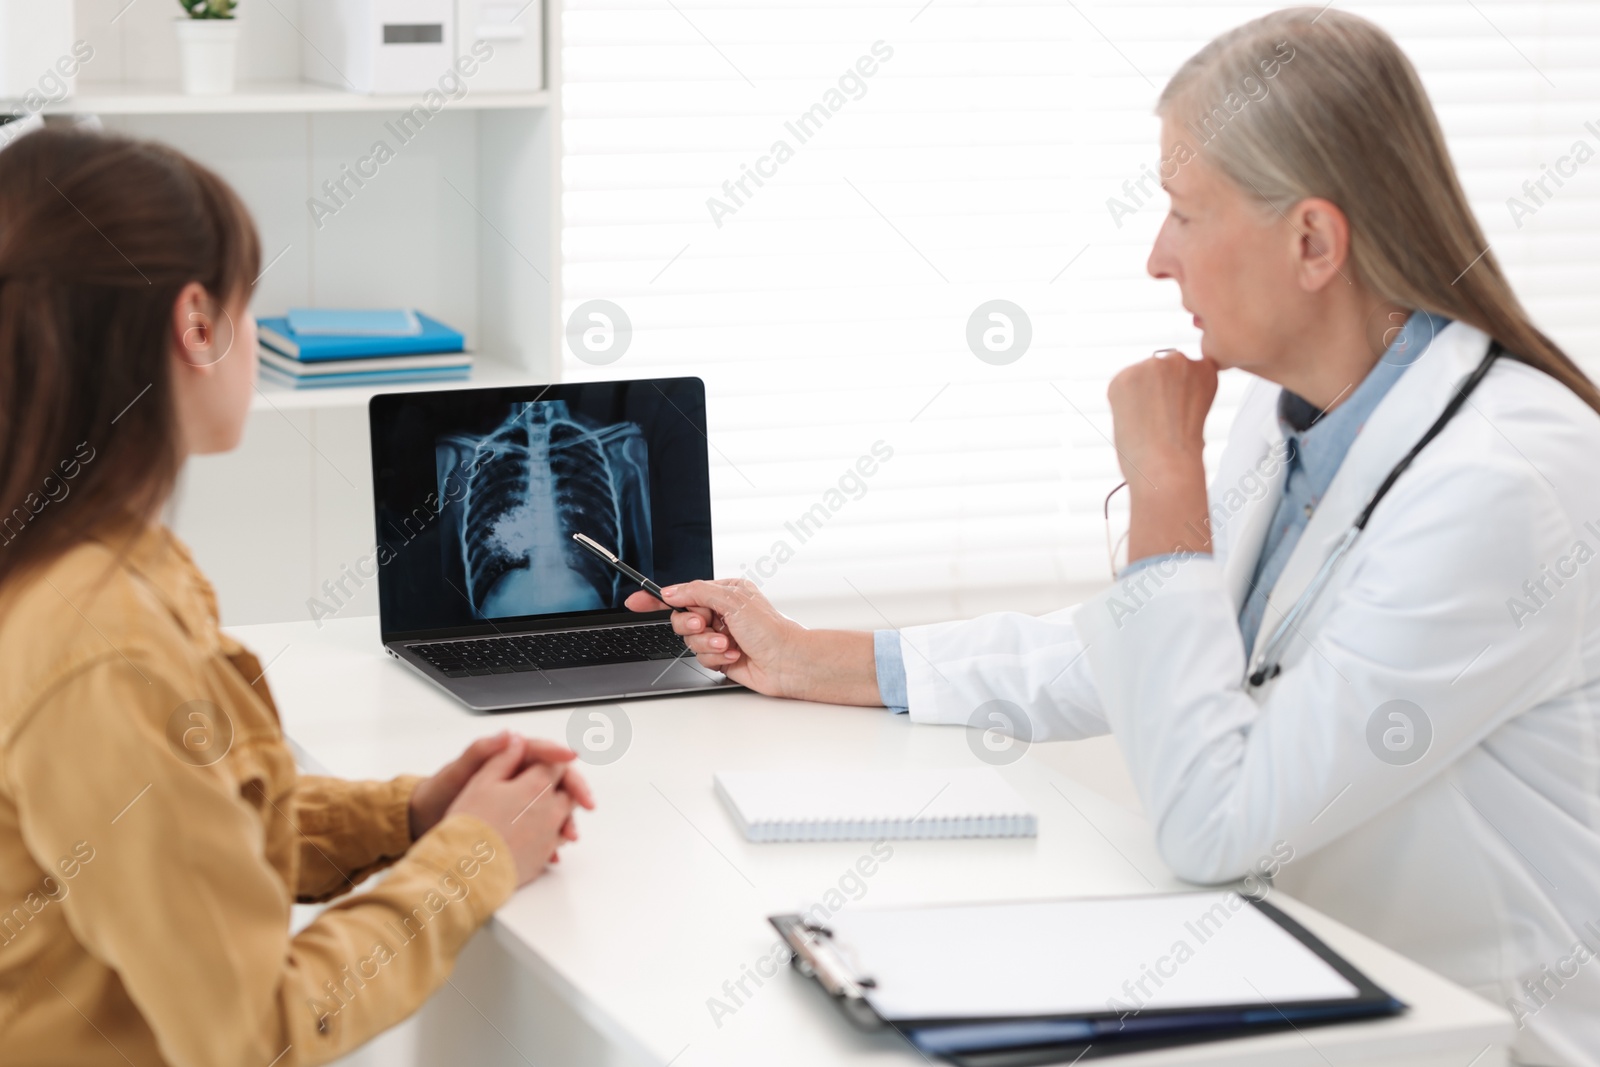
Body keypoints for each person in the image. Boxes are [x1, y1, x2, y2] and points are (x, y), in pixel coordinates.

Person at [628, 9, 1600, 1065]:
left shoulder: (1501, 483)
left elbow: (1216, 823)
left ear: (1312, 240)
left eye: (1185, 213)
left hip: (1480, 1036)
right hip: (1303, 975)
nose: (1154, 258)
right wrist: (812, 655)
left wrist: (1162, 487)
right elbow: (1158, 652)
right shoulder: (1300, 415)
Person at [0, 129, 594, 1065]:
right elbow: (254, 1032)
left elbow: (177, 829)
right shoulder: (101, 646)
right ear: (197, 322)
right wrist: (474, 854)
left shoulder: (78, 562)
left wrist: (410, 815)